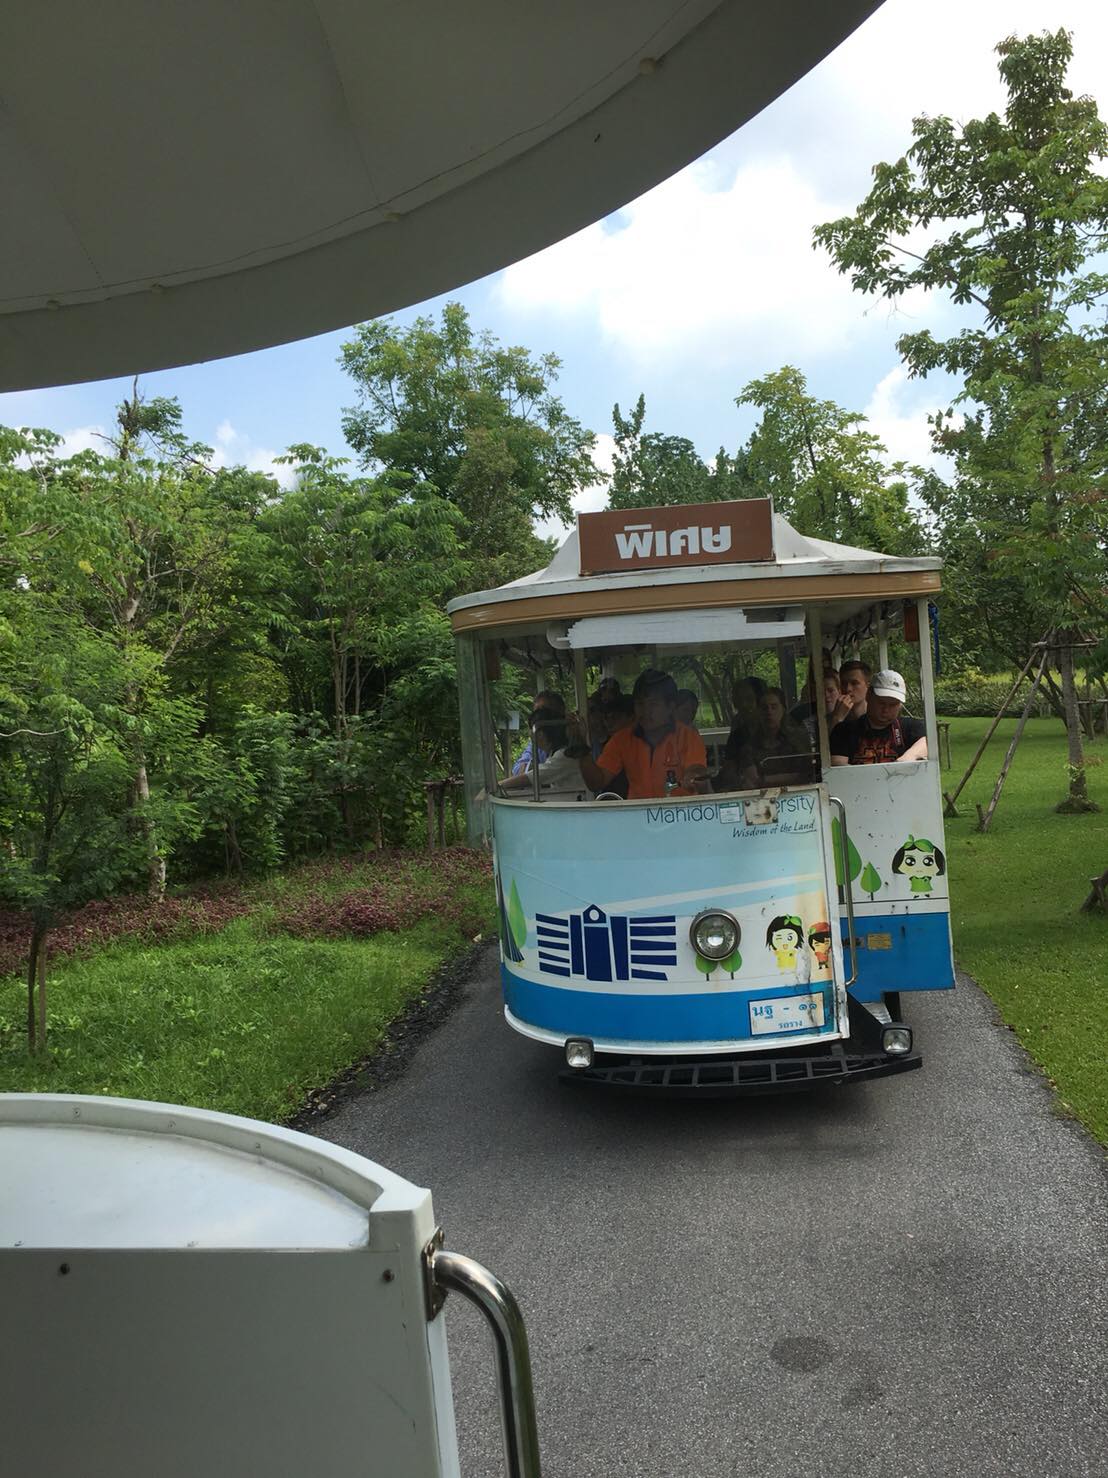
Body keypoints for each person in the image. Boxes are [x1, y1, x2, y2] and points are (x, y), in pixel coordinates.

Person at [571, 669, 707, 800]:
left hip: (679, 813)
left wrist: (693, 777)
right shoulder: (622, 739)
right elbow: (597, 782)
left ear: (670, 707)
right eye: (640, 704)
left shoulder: (687, 736)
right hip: (638, 813)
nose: (646, 711)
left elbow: (696, 770)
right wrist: (581, 748)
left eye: (653, 704)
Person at [829, 669, 927, 765]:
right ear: (868, 696)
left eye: (893, 705)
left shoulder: (910, 727)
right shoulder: (844, 731)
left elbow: (927, 742)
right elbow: (838, 763)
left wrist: (908, 758)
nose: (886, 709)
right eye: (881, 703)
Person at [499, 720, 588, 795]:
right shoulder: (554, 752)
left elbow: (533, 777)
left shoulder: (564, 756)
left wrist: (498, 786)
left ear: (540, 734)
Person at [511, 690, 566, 775]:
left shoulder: (565, 750)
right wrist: (525, 767)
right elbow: (518, 768)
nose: (539, 717)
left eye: (545, 712)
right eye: (536, 712)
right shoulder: (538, 741)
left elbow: (543, 773)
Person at [831, 660, 871, 726]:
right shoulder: (832, 717)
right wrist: (837, 718)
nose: (848, 689)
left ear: (868, 686)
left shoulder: (878, 716)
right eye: (844, 683)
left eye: (854, 683)